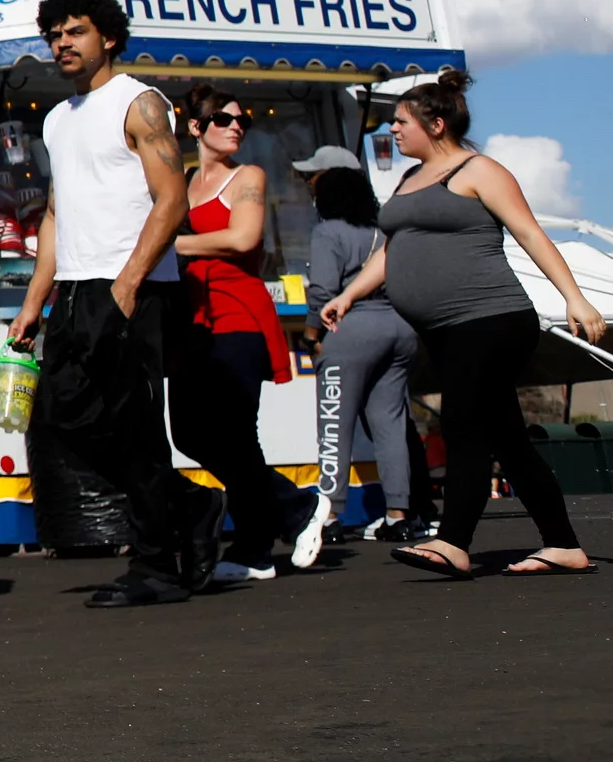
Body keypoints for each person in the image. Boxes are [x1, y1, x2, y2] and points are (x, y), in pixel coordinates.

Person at [317, 71, 608, 579]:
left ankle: (453, 541)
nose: (394, 131)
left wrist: (575, 299)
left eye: (402, 121)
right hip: (444, 330)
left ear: (436, 123)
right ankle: (562, 544)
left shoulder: (480, 171)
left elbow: (532, 235)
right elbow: (390, 252)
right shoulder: (408, 181)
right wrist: (348, 294)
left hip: (492, 318)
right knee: (508, 441)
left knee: (463, 423)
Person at [8, 0, 223, 608]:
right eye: (54, 35)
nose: (62, 44)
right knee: (60, 419)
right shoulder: (56, 118)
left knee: (135, 427)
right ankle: (190, 504)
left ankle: (156, 567)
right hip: (73, 289)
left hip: (132, 286)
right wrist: (32, 302)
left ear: (108, 38)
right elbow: (54, 213)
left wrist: (128, 283)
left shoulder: (141, 104)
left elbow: (173, 200)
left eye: (74, 32)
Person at [165, 88, 330, 585]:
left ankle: (269, 533)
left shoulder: (249, 177)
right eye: (222, 119)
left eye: (243, 120)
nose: (236, 126)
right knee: (189, 433)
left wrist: (172, 245)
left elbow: (243, 238)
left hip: (238, 313)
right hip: (191, 319)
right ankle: (281, 519)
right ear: (195, 128)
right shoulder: (182, 182)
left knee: (236, 434)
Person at [300, 146, 433, 542]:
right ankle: (399, 513)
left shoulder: (327, 232)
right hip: (397, 326)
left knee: (334, 426)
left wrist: (312, 335)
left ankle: (328, 514)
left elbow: (323, 289)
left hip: (350, 329)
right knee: (390, 424)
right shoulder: (383, 233)